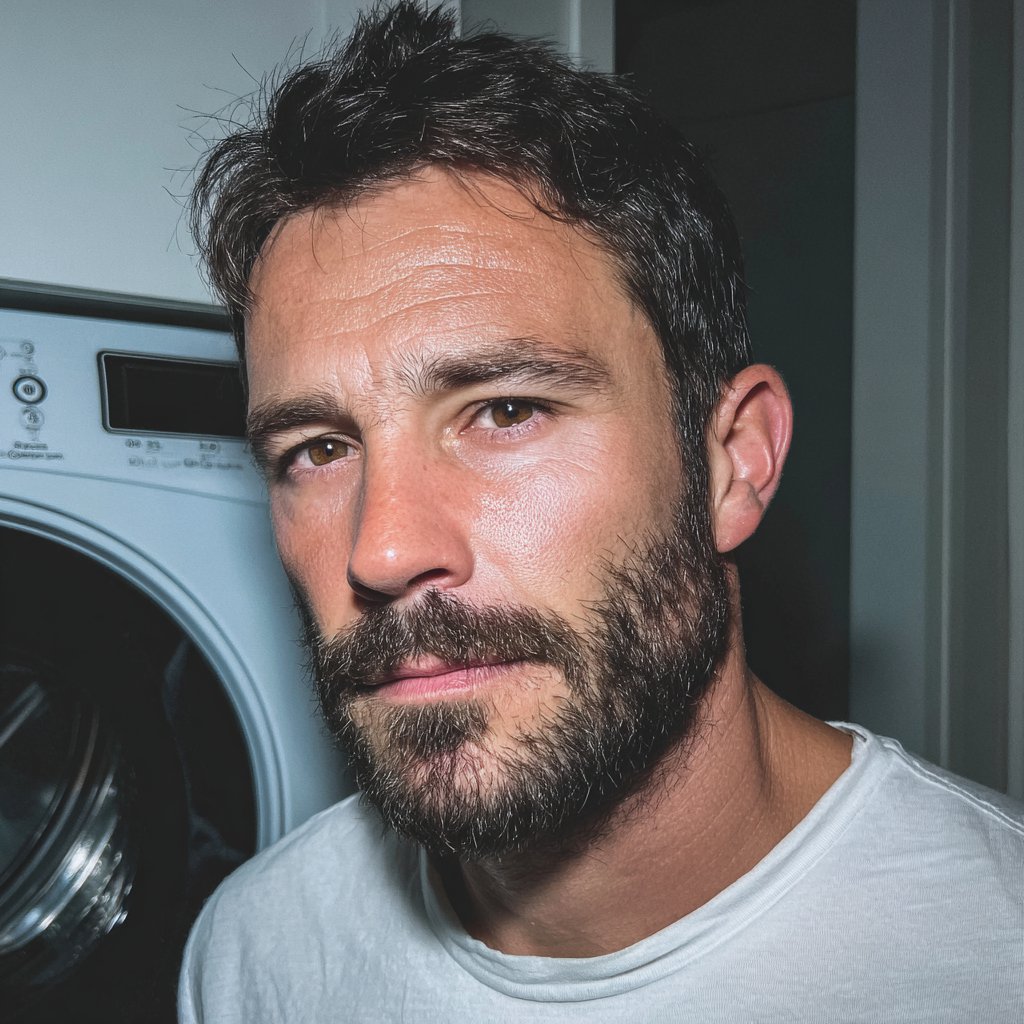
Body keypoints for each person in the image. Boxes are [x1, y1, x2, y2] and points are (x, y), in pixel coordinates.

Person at [178, 3, 1024, 1020]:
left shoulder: (990, 948)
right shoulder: (255, 956)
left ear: (733, 462)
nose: (384, 546)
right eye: (315, 449)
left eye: (504, 410)